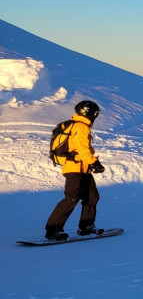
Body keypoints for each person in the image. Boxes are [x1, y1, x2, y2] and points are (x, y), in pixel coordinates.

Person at [44, 100, 105, 241]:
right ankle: (53, 229)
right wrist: (94, 162)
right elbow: (82, 149)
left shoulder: (80, 126)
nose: (95, 117)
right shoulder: (81, 127)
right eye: (95, 113)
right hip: (74, 168)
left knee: (92, 197)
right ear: (89, 112)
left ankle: (86, 227)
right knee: (71, 198)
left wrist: (91, 164)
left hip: (83, 168)